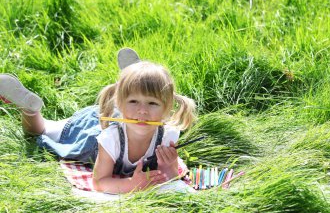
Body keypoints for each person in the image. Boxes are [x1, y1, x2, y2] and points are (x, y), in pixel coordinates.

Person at [0, 49, 196, 194]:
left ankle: (135, 79)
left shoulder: (167, 134)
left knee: (133, 111)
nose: (143, 111)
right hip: (86, 131)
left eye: (152, 103)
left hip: (120, 115)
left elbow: (170, 176)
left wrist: (170, 167)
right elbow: (100, 182)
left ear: (166, 109)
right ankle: (31, 109)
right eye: (135, 101)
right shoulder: (111, 139)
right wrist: (131, 185)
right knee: (40, 131)